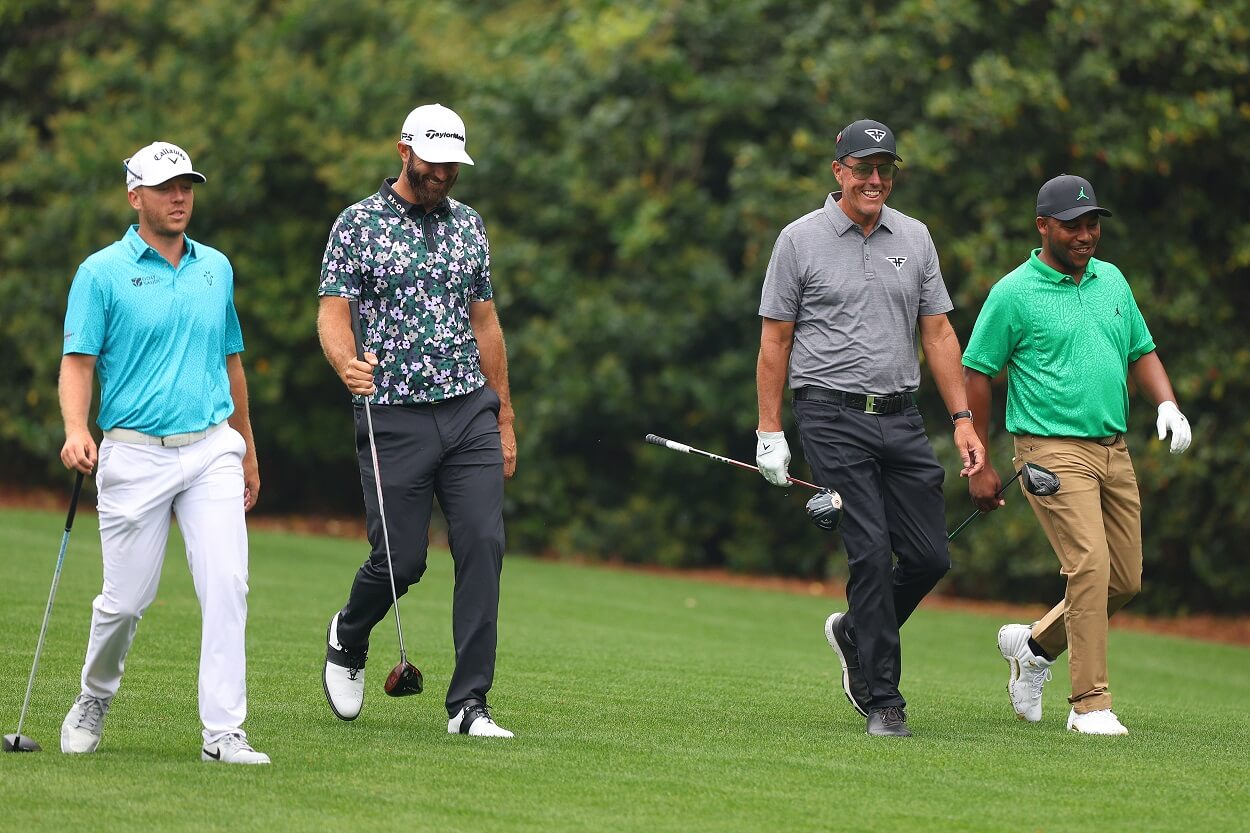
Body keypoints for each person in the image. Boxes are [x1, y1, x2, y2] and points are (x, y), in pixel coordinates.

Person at [755, 119, 985, 737]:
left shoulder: (915, 236)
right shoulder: (799, 240)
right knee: (868, 553)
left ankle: (856, 630)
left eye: (886, 169)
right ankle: (884, 698)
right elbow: (775, 339)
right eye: (864, 169)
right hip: (829, 415)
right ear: (839, 172)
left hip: (902, 416)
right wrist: (769, 430)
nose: (876, 180)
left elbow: (937, 331)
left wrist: (962, 419)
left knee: (930, 556)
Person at [57, 141, 268, 764]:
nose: (179, 198)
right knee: (124, 603)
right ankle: (94, 695)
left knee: (228, 584)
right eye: (165, 188)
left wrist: (247, 450)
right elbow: (78, 364)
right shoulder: (100, 273)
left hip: (210, 450)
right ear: (135, 196)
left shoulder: (216, 268)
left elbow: (232, 363)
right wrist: (76, 428)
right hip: (133, 454)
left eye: (187, 186)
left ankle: (223, 733)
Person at [963, 174, 1192, 736]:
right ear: (1043, 226)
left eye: (1092, 224)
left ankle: (1034, 647)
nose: (1086, 234)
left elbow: (1142, 350)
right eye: (1073, 225)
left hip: (1113, 449)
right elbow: (977, 373)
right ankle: (1089, 703)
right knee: (1089, 566)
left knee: (1125, 579)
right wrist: (982, 460)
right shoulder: (1013, 293)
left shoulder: (1112, 280)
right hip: (1049, 450)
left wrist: (1167, 405)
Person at [318, 103, 517, 738]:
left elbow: (485, 322)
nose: (443, 175)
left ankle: (469, 706)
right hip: (394, 416)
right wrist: (346, 364)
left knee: (483, 545)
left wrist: (504, 416)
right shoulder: (357, 224)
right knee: (401, 562)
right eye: (434, 163)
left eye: (453, 166)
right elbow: (332, 313)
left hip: (467, 412)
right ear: (404, 150)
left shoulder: (470, 227)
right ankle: (349, 634)